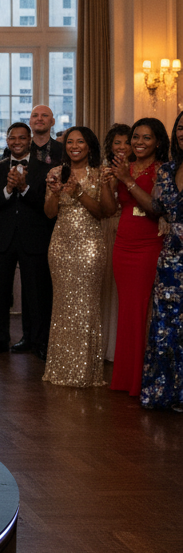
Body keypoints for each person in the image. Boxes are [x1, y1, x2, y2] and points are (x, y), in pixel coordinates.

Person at [42, 127, 115, 387]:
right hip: (60, 245)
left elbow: (105, 212)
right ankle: (60, 369)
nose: (74, 146)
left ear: (89, 146)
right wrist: (55, 192)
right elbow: (50, 213)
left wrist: (78, 193)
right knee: (63, 306)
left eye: (80, 141)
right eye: (70, 142)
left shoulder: (101, 173)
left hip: (90, 246)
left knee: (86, 306)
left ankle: (85, 372)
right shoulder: (56, 172)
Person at [107, 117, 170, 397]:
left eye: (146, 137)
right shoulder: (125, 167)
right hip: (123, 243)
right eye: (135, 137)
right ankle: (124, 377)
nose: (139, 142)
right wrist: (110, 183)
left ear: (157, 142)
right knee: (127, 310)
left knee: (141, 310)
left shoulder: (163, 170)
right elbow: (111, 208)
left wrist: (127, 180)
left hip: (148, 245)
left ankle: (140, 379)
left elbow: (156, 208)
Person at [0, 121, 56, 358]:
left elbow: (46, 207)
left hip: (34, 237)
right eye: (12, 138)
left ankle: (35, 340)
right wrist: (7, 189)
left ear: (30, 141)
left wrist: (24, 188)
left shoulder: (44, 170)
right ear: (7, 140)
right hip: (2, 238)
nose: (17, 142)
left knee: (35, 293)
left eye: (22, 138)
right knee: (0, 292)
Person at [141, 108, 183, 411]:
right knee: (167, 326)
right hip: (170, 257)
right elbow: (157, 207)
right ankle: (166, 392)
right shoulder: (167, 170)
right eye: (180, 127)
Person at [100, 123, 131, 361]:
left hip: (130, 229)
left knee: (125, 290)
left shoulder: (138, 169)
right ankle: (106, 346)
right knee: (107, 285)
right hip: (106, 229)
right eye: (117, 142)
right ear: (110, 146)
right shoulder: (103, 170)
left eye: (126, 142)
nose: (121, 147)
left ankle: (125, 345)